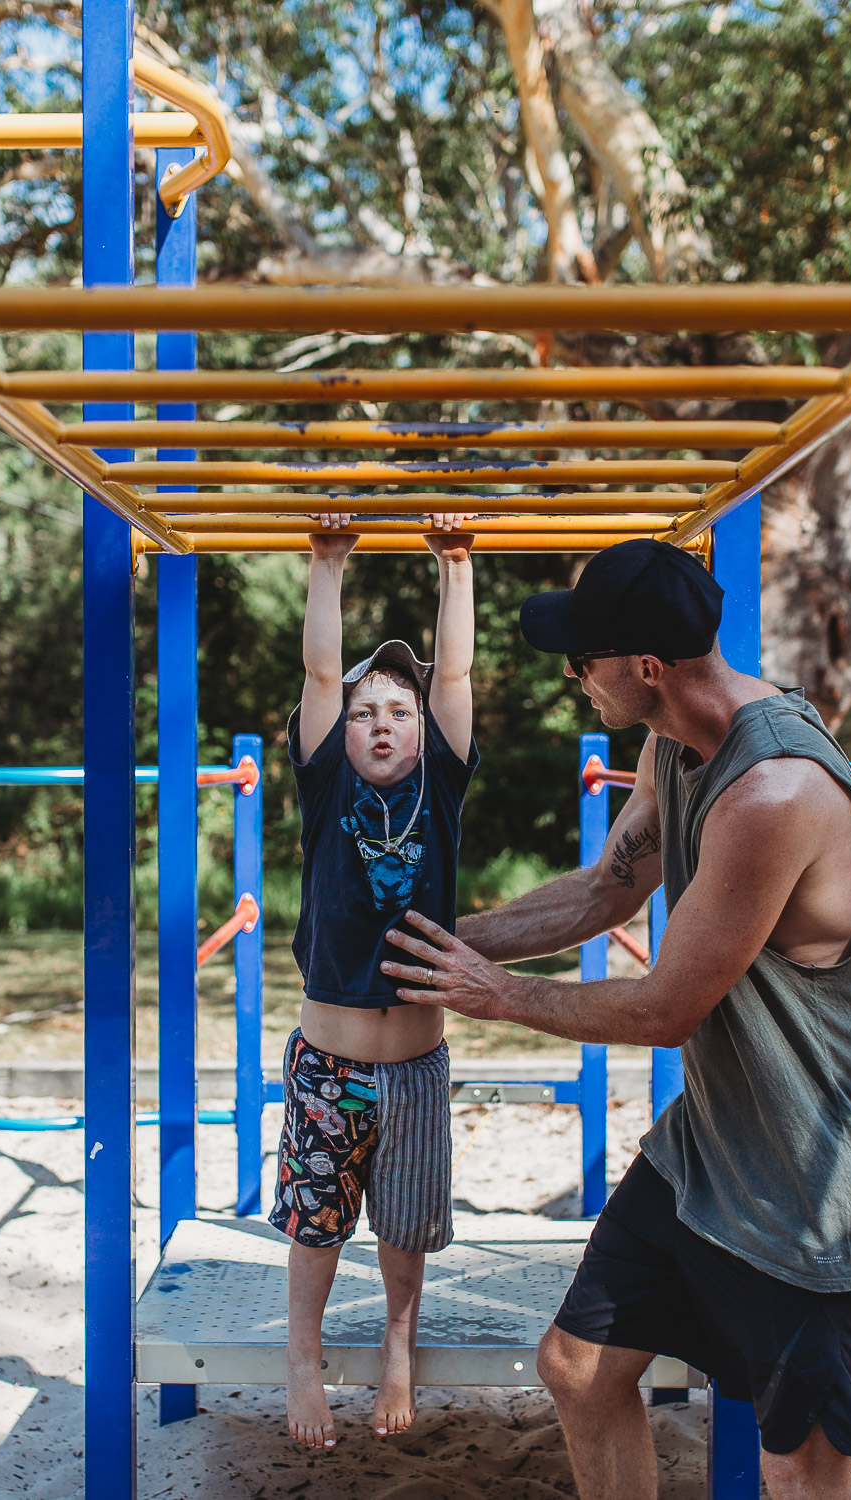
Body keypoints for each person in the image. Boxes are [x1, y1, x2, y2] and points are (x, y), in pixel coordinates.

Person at [381, 538, 851, 1500]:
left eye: (584, 660)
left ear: (646, 667)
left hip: (808, 1182)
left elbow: (667, 1006)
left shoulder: (773, 793)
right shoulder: (674, 742)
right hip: (706, 1151)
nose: (574, 677)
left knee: (801, 1463)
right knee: (580, 1368)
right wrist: (436, 940)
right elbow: (600, 896)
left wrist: (491, 995)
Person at [272, 514, 477, 1452]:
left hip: (417, 1070)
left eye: (398, 710)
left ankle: (399, 1339)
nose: (383, 722)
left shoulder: (440, 787)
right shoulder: (327, 793)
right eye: (365, 713)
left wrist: (456, 565)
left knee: (403, 1225)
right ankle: (304, 1356)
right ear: (337, 734)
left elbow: (455, 678)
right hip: (330, 1067)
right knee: (318, 1227)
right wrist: (325, 566)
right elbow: (322, 672)